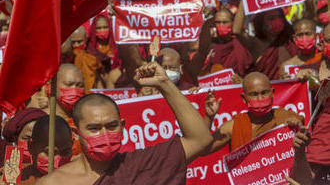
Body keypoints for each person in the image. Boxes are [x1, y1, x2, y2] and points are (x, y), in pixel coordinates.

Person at [36, 62, 213, 185]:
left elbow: (201, 139)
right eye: (94, 129)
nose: (104, 134)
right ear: (75, 133)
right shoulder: (54, 182)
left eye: (111, 126)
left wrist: (164, 84)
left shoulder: (142, 164)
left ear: (123, 126)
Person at [203, 71, 304, 153]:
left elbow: (304, 135)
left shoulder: (286, 118)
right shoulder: (235, 126)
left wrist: (296, 126)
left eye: (264, 93)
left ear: (272, 93)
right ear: (244, 98)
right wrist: (209, 117)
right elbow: (204, 148)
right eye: (254, 94)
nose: (260, 98)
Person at [184, 6, 254, 80]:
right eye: (218, 22)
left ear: (232, 23)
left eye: (225, 22)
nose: (221, 25)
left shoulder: (241, 42)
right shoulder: (211, 44)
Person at [18, 115, 73, 184]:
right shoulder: (17, 178)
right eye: (49, 153)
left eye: (65, 152)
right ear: (31, 147)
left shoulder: (83, 179)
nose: (58, 161)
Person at [53, 63, 85, 156]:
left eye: (80, 85)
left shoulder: (87, 120)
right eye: (69, 84)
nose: (74, 90)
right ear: (53, 86)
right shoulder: (40, 119)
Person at [86, 12, 121, 89]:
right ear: (94, 30)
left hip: (116, 84)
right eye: (99, 28)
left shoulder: (116, 46)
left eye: (105, 27)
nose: (102, 30)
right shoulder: (90, 48)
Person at [69, 27, 102, 91]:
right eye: (73, 42)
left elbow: (99, 80)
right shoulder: (66, 56)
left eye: (79, 42)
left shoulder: (94, 55)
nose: (76, 45)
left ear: (86, 39)